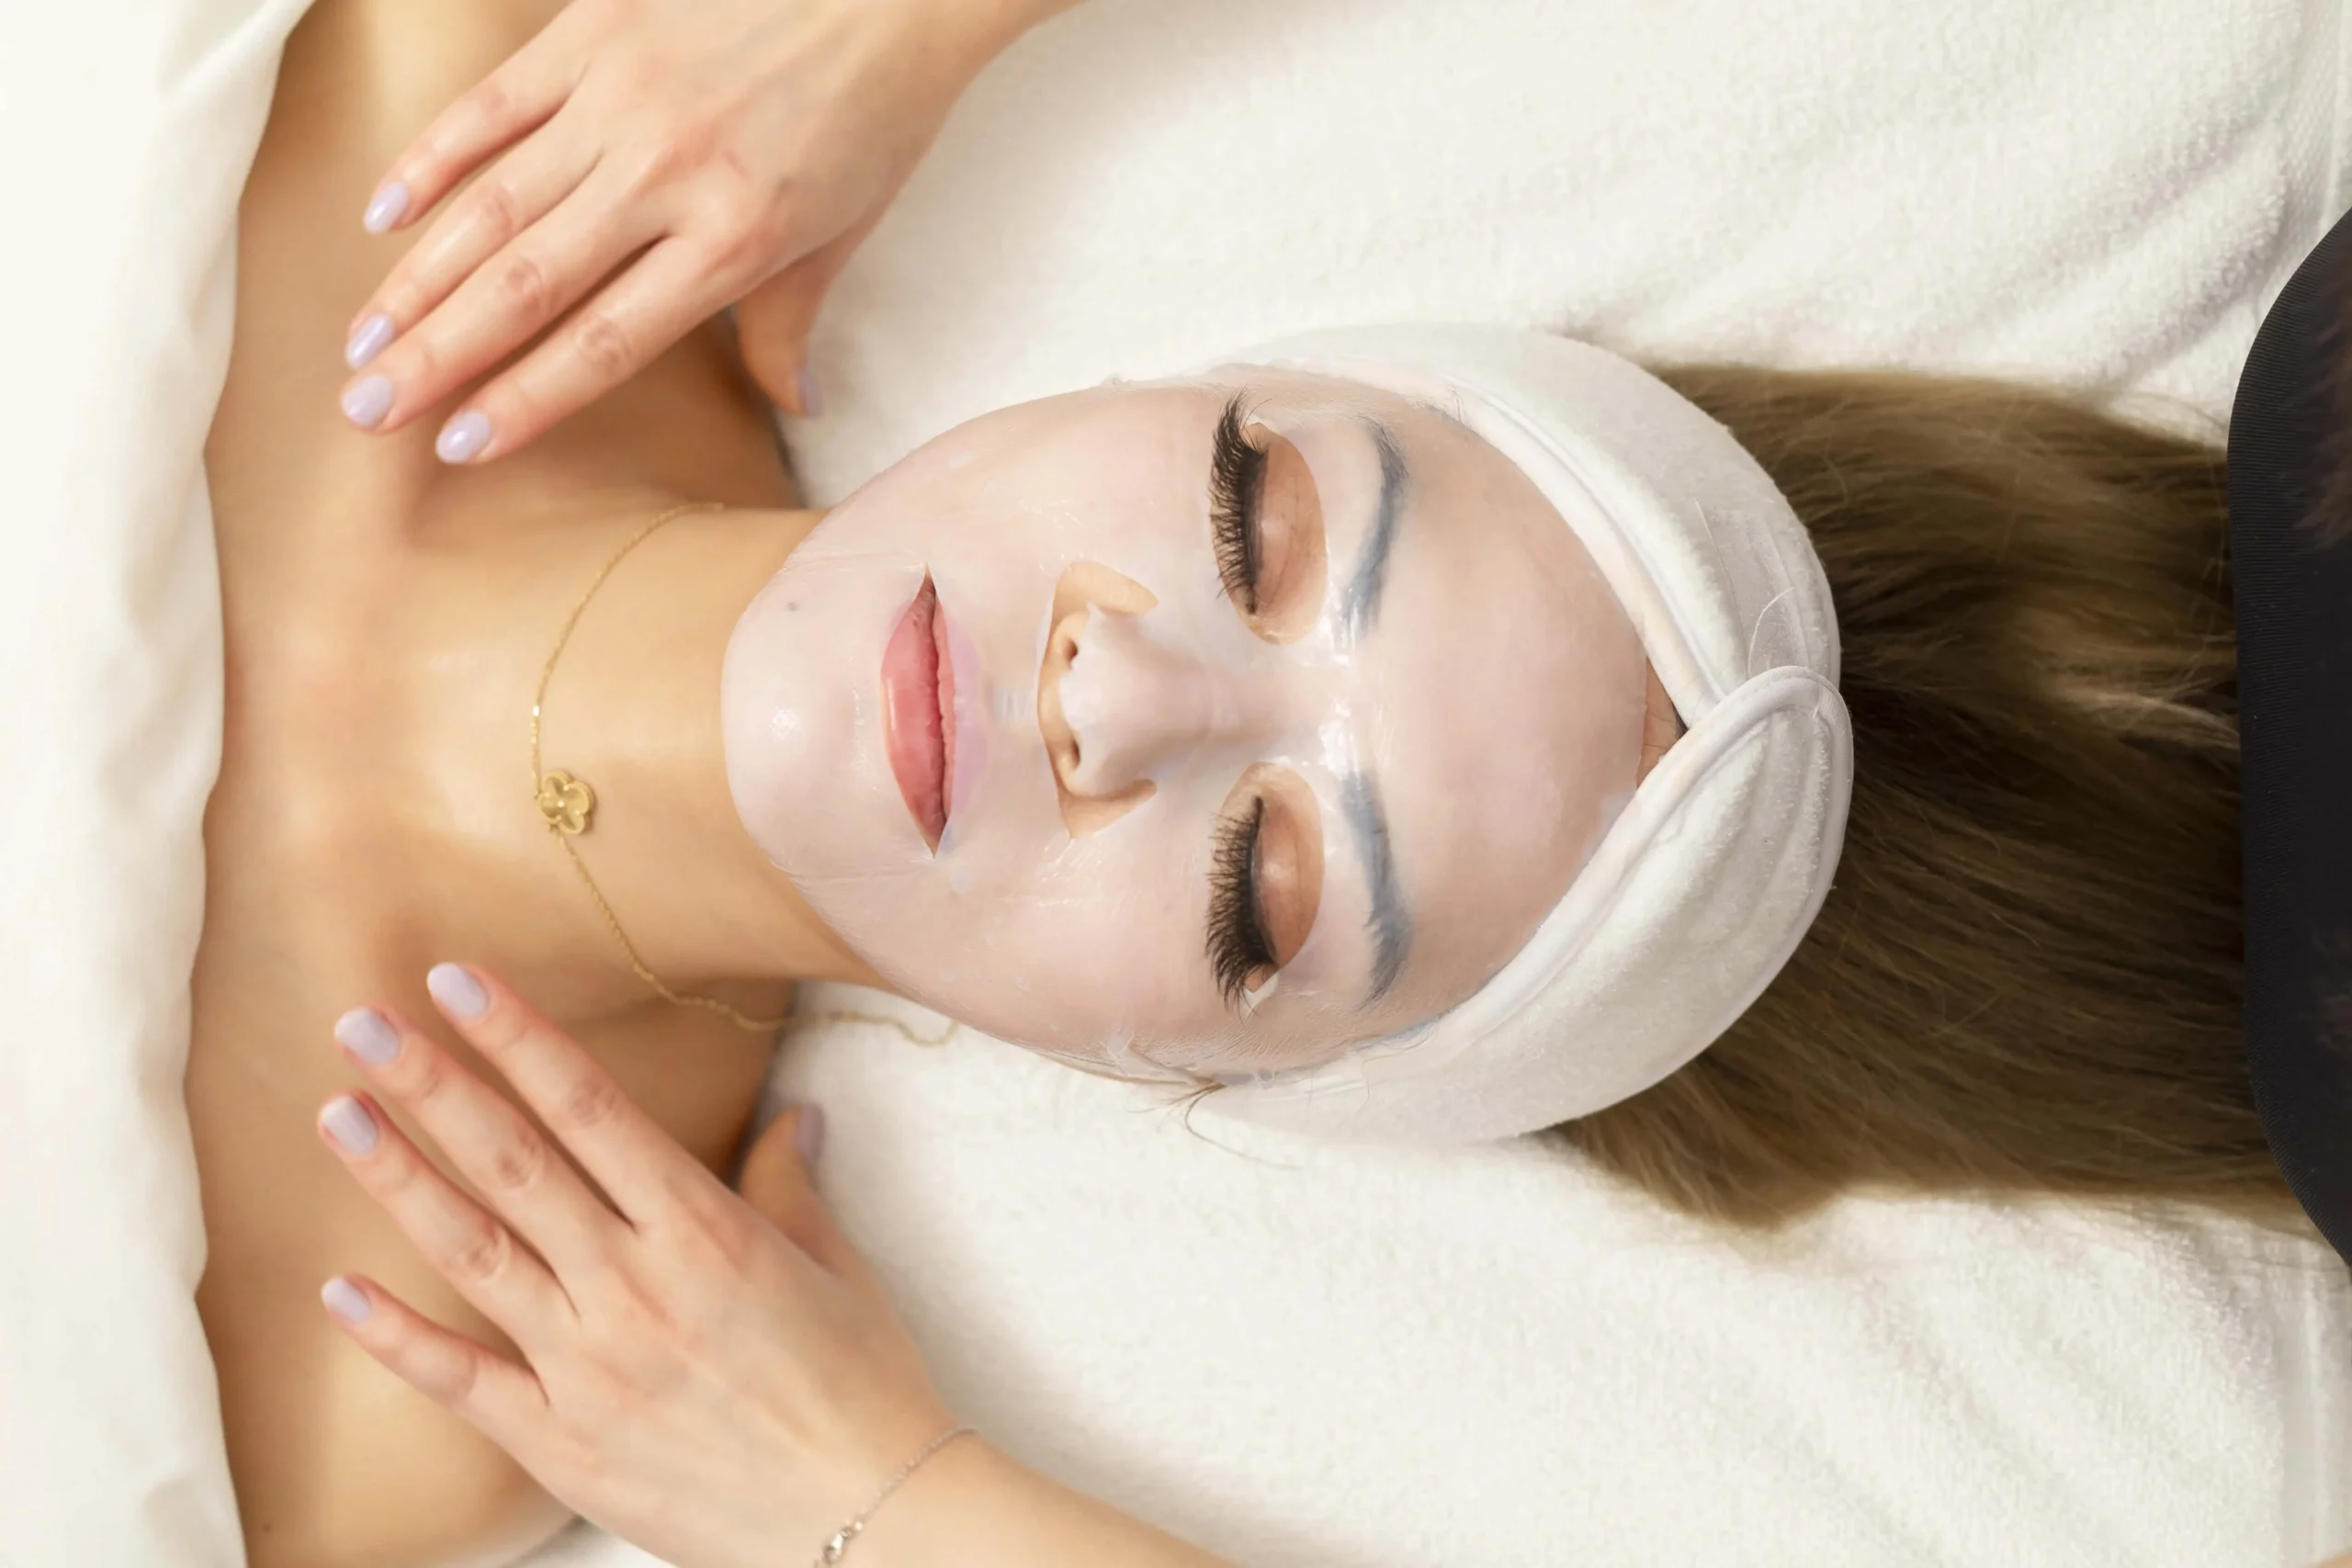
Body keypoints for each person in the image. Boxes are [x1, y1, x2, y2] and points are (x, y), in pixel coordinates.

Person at [200, 0, 2296, 1563]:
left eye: (1262, 891)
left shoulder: (383, 1387)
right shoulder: (481, 63)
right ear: (1183, 377)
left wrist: (884, 1510)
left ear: (1174, 1071)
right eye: (1246, 519)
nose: (1113, 703)